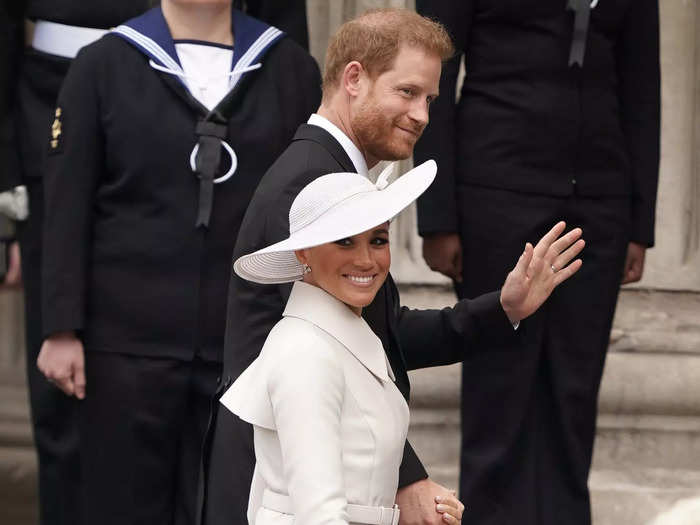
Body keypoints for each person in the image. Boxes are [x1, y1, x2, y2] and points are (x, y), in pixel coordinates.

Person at [202, 8, 586, 525]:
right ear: (354, 78)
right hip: (278, 490)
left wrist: (505, 307)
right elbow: (300, 355)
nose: (423, 115)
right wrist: (407, 478)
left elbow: (382, 333)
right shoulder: (311, 182)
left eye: (429, 98)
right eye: (406, 92)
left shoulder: (334, 172)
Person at [36, 1, 319, 523]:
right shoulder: (103, 63)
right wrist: (61, 328)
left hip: (244, 344)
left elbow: (303, 208)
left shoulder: (289, 69)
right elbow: (67, 202)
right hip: (125, 343)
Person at [224, 160, 582, 525]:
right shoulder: (306, 351)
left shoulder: (341, 337)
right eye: (344, 241)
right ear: (304, 254)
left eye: (377, 240)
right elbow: (320, 517)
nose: (365, 259)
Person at [413, 1, 660, 524]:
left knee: (574, 388)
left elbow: (642, 88)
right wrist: (438, 216)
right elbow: (433, 70)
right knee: (497, 383)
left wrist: (641, 223)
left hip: (599, 199)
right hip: (495, 188)